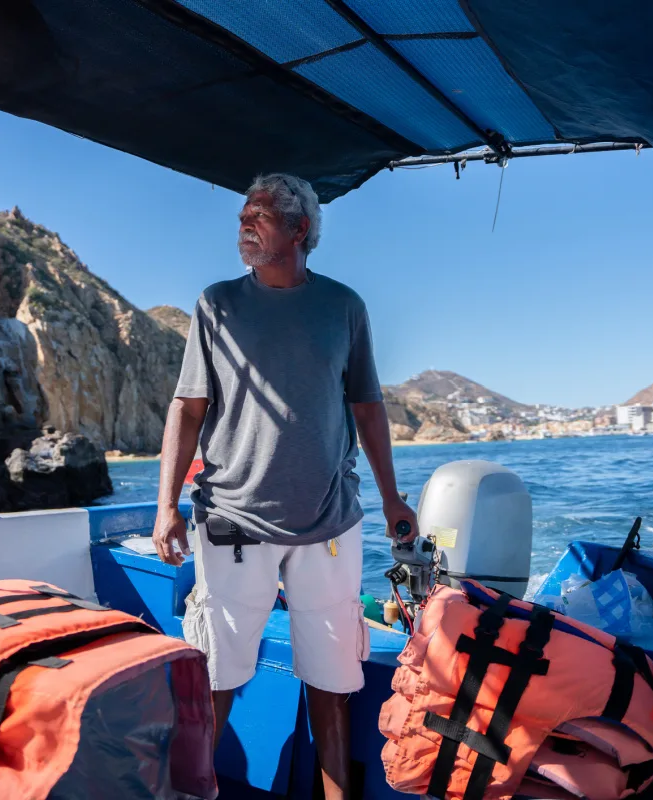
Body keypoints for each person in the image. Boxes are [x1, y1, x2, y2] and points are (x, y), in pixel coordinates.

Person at [152, 173, 418, 800]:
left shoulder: (344, 307)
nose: (246, 222)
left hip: (329, 522)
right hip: (232, 520)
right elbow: (187, 409)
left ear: (301, 230)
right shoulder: (215, 304)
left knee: (331, 683)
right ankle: (189, 793)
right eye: (244, 213)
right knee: (216, 674)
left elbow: (368, 406)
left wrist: (392, 497)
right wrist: (166, 506)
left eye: (262, 214)